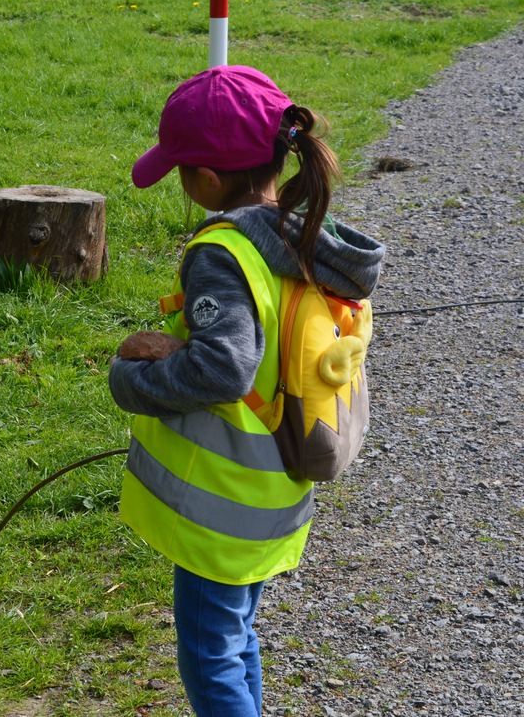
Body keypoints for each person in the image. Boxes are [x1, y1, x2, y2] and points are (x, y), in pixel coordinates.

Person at [108, 65, 384, 716]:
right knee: (235, 641)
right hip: (275, 489)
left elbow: (225, 368)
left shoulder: (222, 253)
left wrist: (133, 381)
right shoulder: (293, 234)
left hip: (223, 508)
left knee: (208, 657)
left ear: (205, 179)